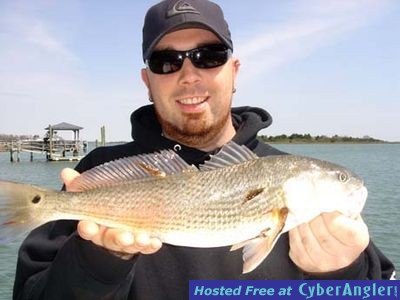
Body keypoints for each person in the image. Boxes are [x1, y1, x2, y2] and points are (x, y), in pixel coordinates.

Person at [13, 0, 395, 299]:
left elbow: (382, 291)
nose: (189, 75)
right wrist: (95, 262)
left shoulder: (292, 181)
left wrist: (345, 274)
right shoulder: (95, 173)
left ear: (235, 71)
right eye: (167, 61)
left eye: (209, 56)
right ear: (147, 81)